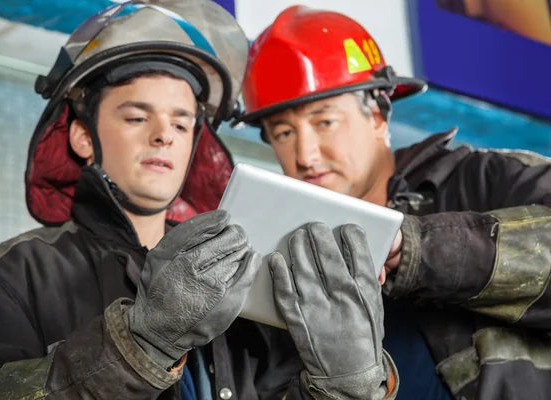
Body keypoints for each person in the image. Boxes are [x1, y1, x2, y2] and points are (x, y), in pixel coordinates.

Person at [0, 1, 398, 399]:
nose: (164, 134)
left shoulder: (244, 273)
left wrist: (344, 387)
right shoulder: (6, 278)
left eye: (182, 124)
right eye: (136, 116)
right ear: (83, 136)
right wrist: (138, 344)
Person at [231, 5, 551, 400]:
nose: (306, 154)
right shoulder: (281, 259)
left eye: (324, 121)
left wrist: (415, 249)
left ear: (379, 115)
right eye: (282, 133)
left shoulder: (483, 181)